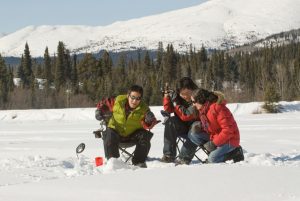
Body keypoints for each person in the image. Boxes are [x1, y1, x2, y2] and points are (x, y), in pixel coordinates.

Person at [95, 85, 159, 168]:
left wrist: (150, 120)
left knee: (145, 135)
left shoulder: (144, 109)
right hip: (115, 134)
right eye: (132, 97)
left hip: (132, 136)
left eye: (138, 98)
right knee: (109, 132)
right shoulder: (117, 100)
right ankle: (113, 163)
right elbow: (102, 105)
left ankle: (138, 163)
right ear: (128, 95)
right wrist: (98, 112)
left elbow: (148, 125)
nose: (134, 101)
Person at [177, 88, 244, 164]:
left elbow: (228, 130)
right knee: (193, 134)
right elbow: (212, 125)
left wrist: (214, 143)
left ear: (200, 100)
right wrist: (201, 126)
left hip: (230, 140)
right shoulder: (203, 109)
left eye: (194, 101)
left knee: (212, 160)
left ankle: (235, 152)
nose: (193, 104)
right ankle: (215, 151)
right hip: (216, 136)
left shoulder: (218, 108)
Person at [161, 77, 198, 163]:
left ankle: (184, 158)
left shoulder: (199, 97)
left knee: (196, 127)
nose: (185, 96)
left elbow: (186, 115)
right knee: (170, 122)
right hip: (182, 125)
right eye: (182, 94)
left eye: (188, 93)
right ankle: (168, 155)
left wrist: (175, 102)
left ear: (193, 89)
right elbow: (169, 109)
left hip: (196, 126)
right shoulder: (177, 97)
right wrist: (167, 97)